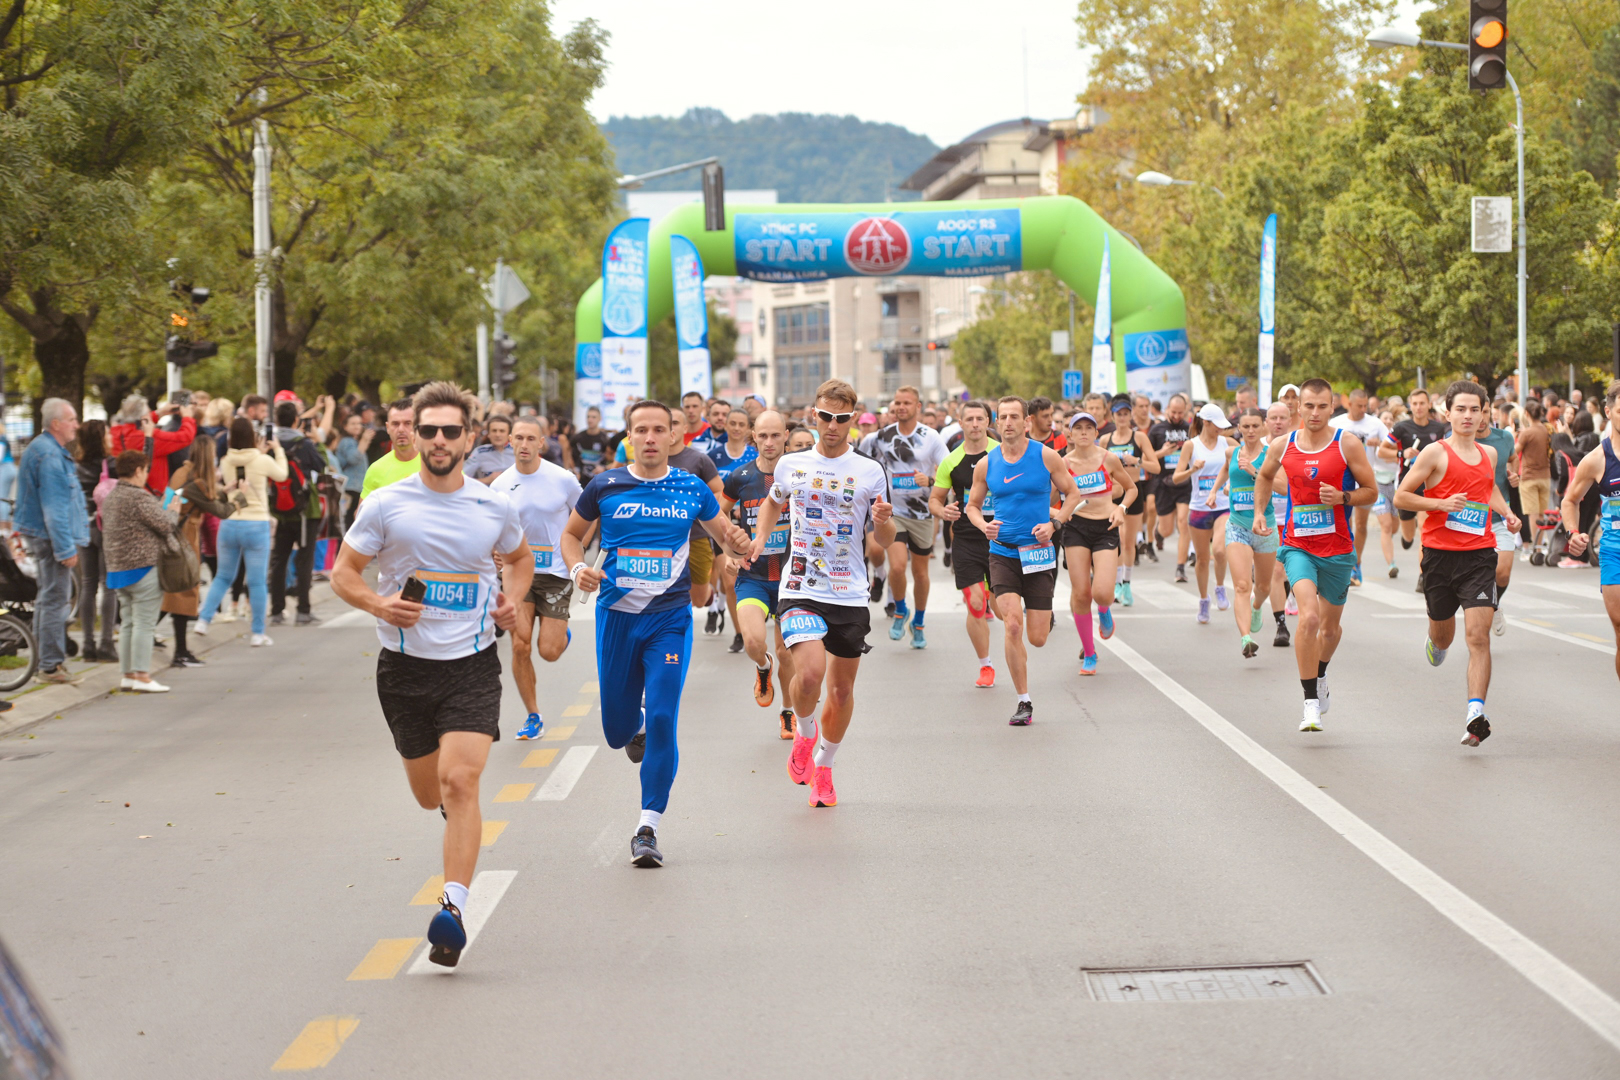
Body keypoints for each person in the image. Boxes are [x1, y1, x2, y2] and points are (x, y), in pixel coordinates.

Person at [333, 381, 530, 966]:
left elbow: (519, 561)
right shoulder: (387, 504)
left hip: (471, 666)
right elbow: (344, 573)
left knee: (460, 782)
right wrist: (378, 604)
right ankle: (449, 819)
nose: (439, 441)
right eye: (428, 431)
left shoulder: (493, 505)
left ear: (468, 437)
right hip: (403, 669)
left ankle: (453, 907)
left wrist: (512, 601)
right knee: (428, 795)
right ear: (412, 436)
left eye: (450, 431)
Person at [560, 400, 751, 865]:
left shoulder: (690, 487)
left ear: (672, 436)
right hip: (617, 620)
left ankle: (648, 827)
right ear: (628, 437)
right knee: (616, 730)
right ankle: (635, 726)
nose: (649, 437)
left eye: (658, 429)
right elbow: (571, 537)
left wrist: (738, 542)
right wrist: (578, 568)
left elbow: (724, 532)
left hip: (670, 619)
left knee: (665, 716)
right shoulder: (604, 485)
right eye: (640, 430)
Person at [743, 380, 893, 808]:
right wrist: (760, 538)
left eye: (841, 419)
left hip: (849, 592)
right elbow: (773, 501)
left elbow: (886, 534)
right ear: (814, 415)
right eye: (825, 417)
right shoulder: (792, 464)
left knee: (842, 692)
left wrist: (882, 520)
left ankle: (825, 767)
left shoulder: (868, 471)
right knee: (809, 674)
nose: (832, 426)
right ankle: (805, 734)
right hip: (801, 586)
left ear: (852, 418)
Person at [1252, 378, 1378, 733]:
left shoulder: (1347, 444)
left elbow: (1371, 491)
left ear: (1332, 406)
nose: (1315, 412)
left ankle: (1320, 673)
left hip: (1338, 549)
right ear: (1298, 407)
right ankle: (1310, 703)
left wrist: (1343, 498)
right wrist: (1260, 513)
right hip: (1298, 545)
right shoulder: (1284, 444)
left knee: (1330, 628)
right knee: (1307, 618)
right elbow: (1264, 476)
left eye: (1322, 406)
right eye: (1308, 406)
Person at [1395, 381, 1518, 746]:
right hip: (1439, 556)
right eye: (1460, 409)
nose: (1467, 416)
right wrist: (1439, 504)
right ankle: (1436, 641)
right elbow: (1403, 494)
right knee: (1444, 634)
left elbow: (1487, 489)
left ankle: (1475, 713)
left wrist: (1507, 513)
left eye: (1474, 410)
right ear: (1447, 412)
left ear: (1484, 414)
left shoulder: (1489, 455)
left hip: (1479, 555)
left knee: (1478, 636)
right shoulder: (1435, 452)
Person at [966, 396, 1081, 725]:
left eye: (1015, 416)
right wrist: (982, 524)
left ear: (1026, 422)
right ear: (996, 423)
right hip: (1002, 551)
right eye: (1003, 417)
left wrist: (1055, 522)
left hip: (1039, 552)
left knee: (1038, 637)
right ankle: (1023, 700)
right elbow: (972, 506)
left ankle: (1041, 609)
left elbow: (1073, 494)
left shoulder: (1045, 456)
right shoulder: (987, 463)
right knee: (1012, 623)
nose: (1009, 422)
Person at [488, 416, 582, 741]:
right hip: (517, 572)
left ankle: (560, 632)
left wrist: (576, 551)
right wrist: (494, 553)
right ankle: (533, 715)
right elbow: (489, 528)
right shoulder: (499, 486)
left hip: (556, 573)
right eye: (519, 438)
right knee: (520, 645)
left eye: (531, 438)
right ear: (509, 442)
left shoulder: (563, 479)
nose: (524, 444)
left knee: (549, 651)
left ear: (542, 443)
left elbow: (586, 515)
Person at [719, 410, 798, 738]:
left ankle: (788, 713)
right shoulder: (740, 477)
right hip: (753, 574)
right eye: (762, 436)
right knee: (753, 641)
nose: (768, 442)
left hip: (792, 576)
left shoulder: (799, 474)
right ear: (754, 437)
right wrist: (728, 551)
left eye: (775, 436)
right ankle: (762, 668)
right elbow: (717, 513)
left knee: (786, 651)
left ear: (785, 436)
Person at [859, 386, 947, 648]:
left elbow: (948, 469)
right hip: (892, 512)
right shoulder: (879, 437)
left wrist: (930, 479)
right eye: (897, 402)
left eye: (907, 403)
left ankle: (918, 621)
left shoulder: (930, 437)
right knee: (897, 566)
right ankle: (900, 609)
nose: (901, 407)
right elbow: (860, 462)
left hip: (921, 512)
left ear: (918, 406)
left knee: (920, 573)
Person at [14, 398, 89, 685]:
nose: (76, 425)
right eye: (72, 419)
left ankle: (44, 662)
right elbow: (55, 509)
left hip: (42, 535)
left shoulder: (43, 450)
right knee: (55, 600)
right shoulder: (50, 457)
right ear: (56, 424)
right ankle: (50, 666)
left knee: (49, 599)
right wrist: (65, 548)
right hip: (50, 538)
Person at [197, 419, 287, 645]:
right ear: (253, 437)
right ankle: (257, 633)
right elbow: (282, 475)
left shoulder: (226, 461)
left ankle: (203, 620)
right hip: (256, 524)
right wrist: (277, 450)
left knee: (223, 576)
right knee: (256, 582)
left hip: (229, 523)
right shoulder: (262, 460)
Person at [929, 400, 1000, 687]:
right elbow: (935, 499)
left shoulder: (1002, 452)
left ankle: (1012, 650)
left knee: (1005, 607)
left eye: (979, 418)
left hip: (1002, 538)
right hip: (967, 539)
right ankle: (986, 666)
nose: (974, 423)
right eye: (968, 418)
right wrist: (942, 510)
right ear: (960, 423)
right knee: (975, 602)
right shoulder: (952, 461)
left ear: (987, 422)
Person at [1060, 412, 1135, 676]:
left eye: (1088, 428)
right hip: (1076, 528)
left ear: (1095, 432)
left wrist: (1121, 509)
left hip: (1106, 527)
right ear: (1070, 433)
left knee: (1102, 592)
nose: (1083, 432)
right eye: (1077, 428)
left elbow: (1132, 488)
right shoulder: (1062, 463)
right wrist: (1058, 514)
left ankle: (1104, 609)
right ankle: (1089, 653)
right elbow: (1046, 499)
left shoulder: (1108, 459)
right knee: (1081, 594)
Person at [101, 450, 179, 692]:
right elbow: (166, 525)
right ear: (137, 471)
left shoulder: (112, 496)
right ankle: (143, 676)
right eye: (146, 470)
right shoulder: (139, 497)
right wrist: (174, 509)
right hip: (144, 568)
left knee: (128, 623)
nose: (147, 475)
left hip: (118, 569)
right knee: (145, 623)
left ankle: (128, 675)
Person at [1561, 384, 1620, 683]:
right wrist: (1573, 532)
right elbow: (1569, 500)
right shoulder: (1597, 459)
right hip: (1614, 550)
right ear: (1608, 413)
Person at [161, 435, 235, 668]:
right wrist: (239, 497)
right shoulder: (198, 482)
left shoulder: (182, 473)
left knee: (175, 593)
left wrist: (223, 490)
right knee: (184, 592)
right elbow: (221, 511)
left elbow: (171, 504)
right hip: (186, 539)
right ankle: (180, 652)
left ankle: (179, 649)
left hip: (172, 537)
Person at [1211, 408, 1280, 658]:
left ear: (1263, 427)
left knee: (1262, 586)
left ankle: (1258, 606)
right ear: (1238, 428)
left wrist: (1254, 471)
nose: (1250, 431)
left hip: (1264, 527)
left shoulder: (1271, 453)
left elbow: (1283, 487)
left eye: (1255, 426)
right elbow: (1224, 471)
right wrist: (1216, 490)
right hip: (1237, 525)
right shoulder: (1231, 452)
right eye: (1245, 426)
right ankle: (1245, 638)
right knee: (1241, 584)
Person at [270, 400, 326, 626]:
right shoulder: (303, 443)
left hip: (280, 510)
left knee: (279, 560)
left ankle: (276, 611)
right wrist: (318, 442)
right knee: (304, 560)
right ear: (296, 420)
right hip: (305, 511)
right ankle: (303, 610)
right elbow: (321, 466)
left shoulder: (271, 443)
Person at [1177, 403, 1234, 623]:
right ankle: (1203, 599)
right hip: (1199, 508)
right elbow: (1176, 477)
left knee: (1219, 551)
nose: (1221, 429)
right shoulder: (1191, 446)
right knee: (1202, 560)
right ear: (1206, 423)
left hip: (1223, 506)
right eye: (1217, 425)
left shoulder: (1228, 443)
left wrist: (1232, 484)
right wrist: (1193, 470)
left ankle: (1220, 587)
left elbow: (1246, 457)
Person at [1330, 389, 1392, 585]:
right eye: (1360, 406)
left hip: (1365, 482)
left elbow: (1392, 445)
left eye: (1366, 405)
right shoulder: (1337, 423)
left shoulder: (1375, 423)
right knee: (1345, 522)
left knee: (1361, 525)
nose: (1364, 409)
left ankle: (1356, 562)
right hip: (1342, 481)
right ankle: (1347, 561)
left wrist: (1380, 443)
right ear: (1350, 404)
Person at [1390, 387, 1449, 589]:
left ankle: (1424, 576)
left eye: (1422, 403)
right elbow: (1382, 451)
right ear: (1410, 406)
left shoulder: (1439, 428)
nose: (1418, 407)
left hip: (1429, 486)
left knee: (1425, 529)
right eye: (1414, 404)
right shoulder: (1401, 428)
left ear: (1429, 405)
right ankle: (1407, 538)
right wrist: (1402, 454)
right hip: (1408, 485)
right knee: (1409, 534)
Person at [1104, 396, 1159, 605]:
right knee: (1114, 540)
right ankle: (1116, 583)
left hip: (1133, 493)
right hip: (1112, 495)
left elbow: (1156, 467)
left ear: (1131, 415)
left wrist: (1137, 461)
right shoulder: (1105, 440)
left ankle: (1126, 583)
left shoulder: (1139, 438)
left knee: (1128, 542)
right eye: (1119, 414)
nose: (1123, 418)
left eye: (1126, 414)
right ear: (1113, 416)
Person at [73, 419, 117, 662]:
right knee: (109, 585)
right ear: (101, 437)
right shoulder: (110, 464)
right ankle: (106, 644)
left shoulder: (75, 466)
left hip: (83, 527)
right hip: (106, 528)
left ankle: (87, 644)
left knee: (88, 585)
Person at [1481, 401, 1520, 635]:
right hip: (1471, 518)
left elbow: (1513, 459)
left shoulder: (1504, 438)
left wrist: (1513, 475)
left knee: (1503, 572)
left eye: (1485, 411)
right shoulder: (1460, 441)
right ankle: (1485, 608)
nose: (1480, 417)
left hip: (1500, 514)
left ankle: (1492, 606)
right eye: (1476, 411)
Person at [110, 394, 196, 495]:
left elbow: (137, 423)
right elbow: (185, 437)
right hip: (151, 494)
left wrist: (160, 413)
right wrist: (187, 417)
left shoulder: (116, 433)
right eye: (148, 412)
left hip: (126, 492)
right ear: (143, 418)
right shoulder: (149, 437)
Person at [1150, 394, 1193, 581]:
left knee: (1184, 522)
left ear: (1186, 410)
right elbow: (1148, 458)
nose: (1176, 416)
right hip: (1163, 484)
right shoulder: (1157, 430)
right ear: (1167, 409)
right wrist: (1163, 452)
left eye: (1180, 413)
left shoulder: (1191, 429)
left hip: (1184, 483)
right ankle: (1159, 533)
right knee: (1167, 530)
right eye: (1173, 412)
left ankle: (1180, 568)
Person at [360, 399, 420, 498]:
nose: (401, 429)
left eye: (407, 423)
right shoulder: (376, 470)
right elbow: (362, 512)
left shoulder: (433, 464)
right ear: (387, 427)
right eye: (395, 424)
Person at [1514, 398, 1553, 545]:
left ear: (1527, 414)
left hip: (1529, 477)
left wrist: (1515, 436)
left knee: (1532, 514)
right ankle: (1540, 543)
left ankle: (1536, 546)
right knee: (1542, 514)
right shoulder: (1546, 430)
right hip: (1545, 476)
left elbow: (1515, 452)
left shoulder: (1527, 433)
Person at [334, 413, 372, 528]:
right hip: (351, 487)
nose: (357, 426)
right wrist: (364, 440)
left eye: (359, 423)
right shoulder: (347, 441)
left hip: (355, 487)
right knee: (350, 520)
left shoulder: (353, 441)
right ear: (345, 426)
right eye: (353, 424)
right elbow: (353, 459)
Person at [464, 414, 514, 483]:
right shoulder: (480, 452)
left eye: (502, 431)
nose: (497, 435)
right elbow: (463, 479)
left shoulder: (517, 451)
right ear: (488, 434)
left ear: (509, 435)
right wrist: (487, 480)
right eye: (494, 431)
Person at [571, 407, 612, 482]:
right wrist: (574, 469)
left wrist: (604, 468)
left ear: (600, 419)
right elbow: (568, 452)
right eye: (588, 417)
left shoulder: (605, 439)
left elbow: (613, 459)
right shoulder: (578, 437)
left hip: (599, 480)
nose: (590, 420)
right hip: (581, 480)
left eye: (593, 417)